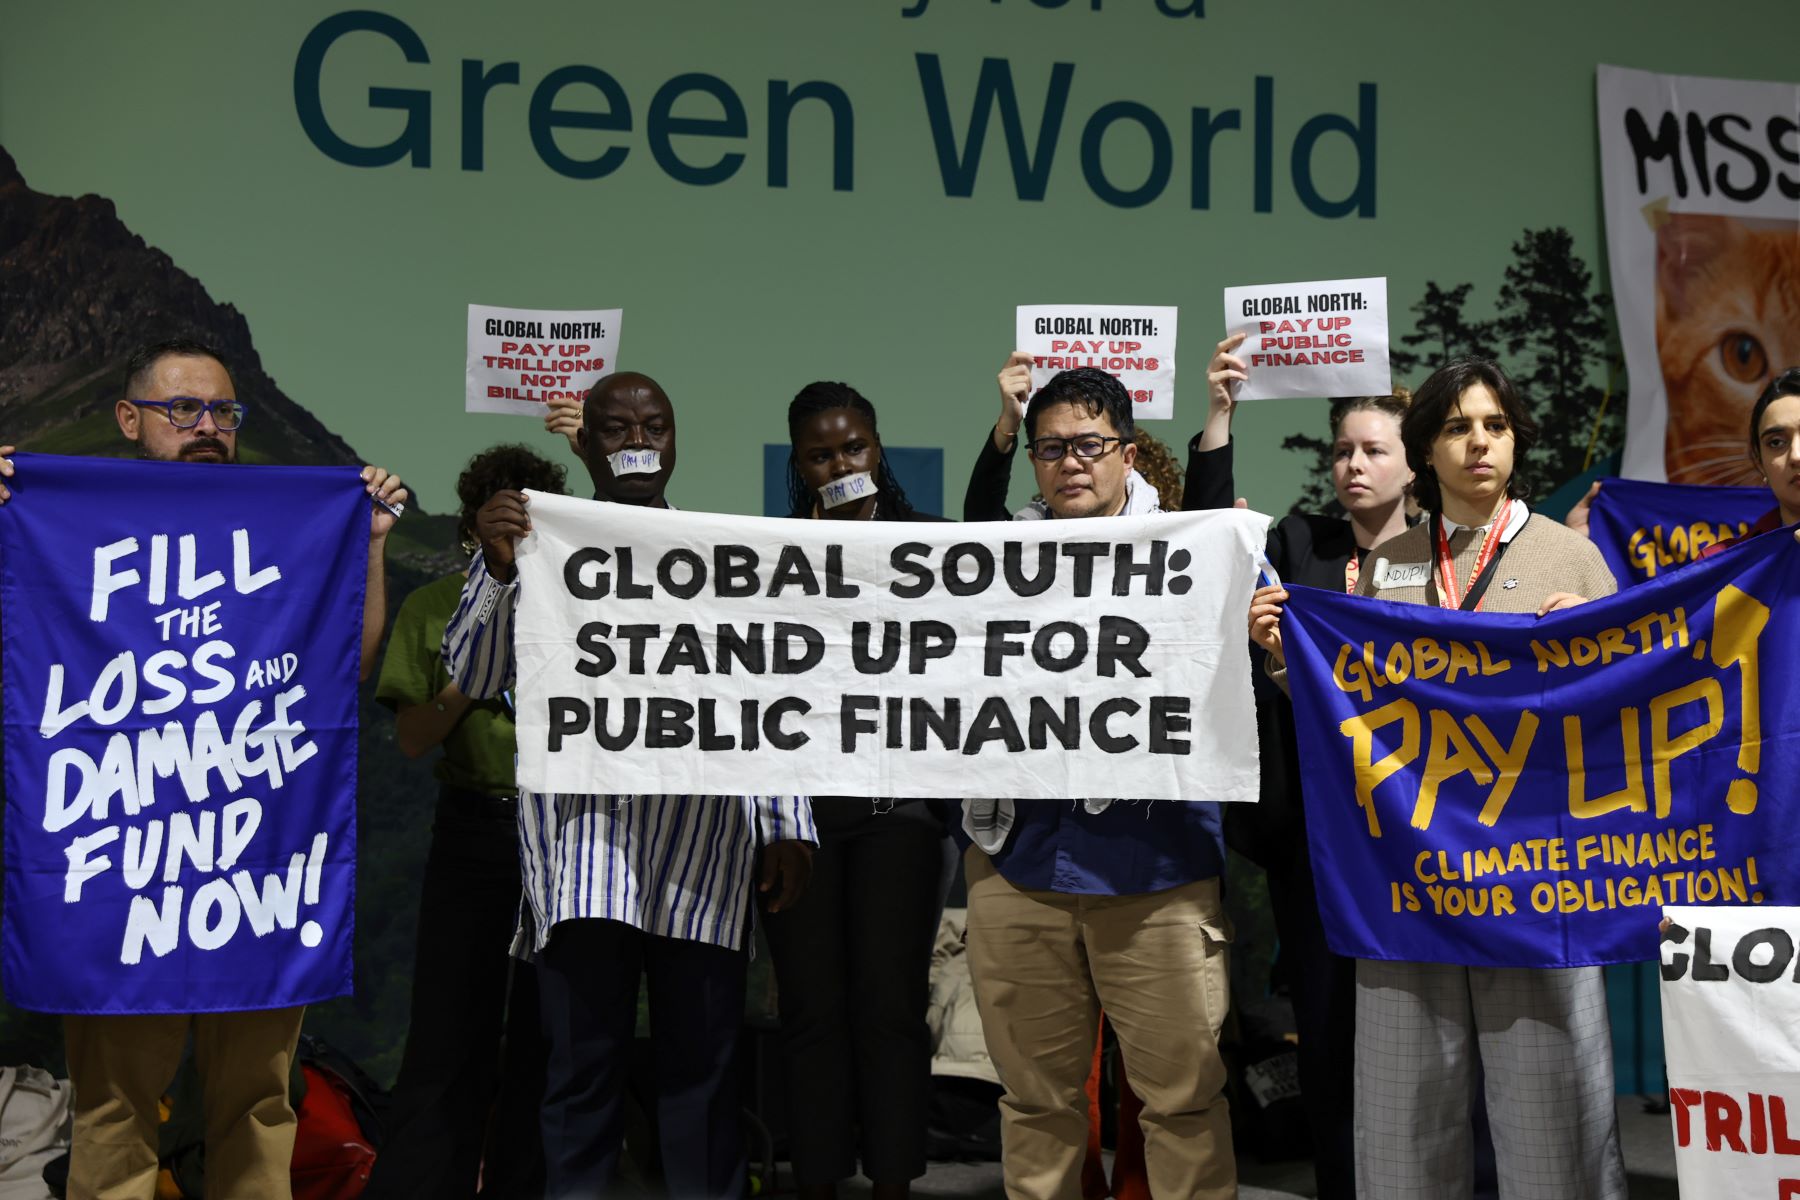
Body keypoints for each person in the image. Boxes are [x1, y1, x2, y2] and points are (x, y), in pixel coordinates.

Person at [0, 336, 406, 1200]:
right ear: (129, 419)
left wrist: (367, 542)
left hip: (252, 867)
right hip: (125, 864)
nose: (208, 426)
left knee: (258, 1107)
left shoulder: (286, 522)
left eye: (224, 410)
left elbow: (346, 666)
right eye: (184, 409)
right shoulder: (64, 518)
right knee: (112, 1113)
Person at [1250, 356, 1628, 1200]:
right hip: (1410, 871)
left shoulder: (1573, 561)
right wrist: (1287, 659)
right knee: (1403, 1122)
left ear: (1516, 441)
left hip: (1535, 879)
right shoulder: (1387, 565)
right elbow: (1357, 709)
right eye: (1457, 427)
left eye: (1494, 426)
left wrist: (1596, 644)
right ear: (1426, 449)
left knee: (1551, 1124)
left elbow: (1623, 716)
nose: (1478, 443)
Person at [442, 371, 818, 1200]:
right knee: (579, 1083)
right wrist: (499, 571)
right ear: (587, 444)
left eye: (654, 426)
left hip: (703, 855)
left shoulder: (725, 554)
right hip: (582, 859)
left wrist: (789, 820)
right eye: (616, 428)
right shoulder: (534, 548)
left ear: (677, 438)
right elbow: (471, 672)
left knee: (703, 1082)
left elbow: (765, 696)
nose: (638, 442)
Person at [959, 363, 1236, 1200]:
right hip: (1018, 860)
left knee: (1182, 1103)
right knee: (1036, 1104)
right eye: (1051, 449)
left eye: (1089, 444)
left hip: (1157, 867)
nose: (1071, 462)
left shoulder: (1193, 549)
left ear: (1126, 453)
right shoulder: (990, 557)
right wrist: (1001, 429)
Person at [1189, 332, 1414, 1198]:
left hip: (1418, 835)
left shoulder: (1445, 556)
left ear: (1412, 461)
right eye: (1343, 451)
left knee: (1418, 1031)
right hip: (1315, 838)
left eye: (1373, 451)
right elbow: (1210, 541)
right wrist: (1222, 410)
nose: (1352, 466)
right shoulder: (1300, 540)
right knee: (1326, 1029)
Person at [762, 381, 955, 1200]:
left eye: (854, 448)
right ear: (799, 468)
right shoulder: (763, 557)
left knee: (888, 1008)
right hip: (799, 821)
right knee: (810, 1010)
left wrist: (1005, 432)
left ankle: (894, 1182)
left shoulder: (933, 547)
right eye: (821, 454)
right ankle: (816, 1178)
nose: (840, 464)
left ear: (878, 450)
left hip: (899, 819)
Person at [365, 444, 567, 1200]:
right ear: (472, 521)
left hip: (561, 835)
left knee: (547, 1043)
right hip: (473, 830)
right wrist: (471, 681)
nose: (512, 524)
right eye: (497, 511)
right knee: (450, 1037)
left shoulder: (580, 606)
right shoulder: (432, 608)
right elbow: (414, 737)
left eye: (528, 511)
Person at [1566, 366, 1800, 553]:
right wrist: (1579, 549)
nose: (1796, 456)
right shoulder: (1720, 566)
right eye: (1776, 442)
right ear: (1759, 462)